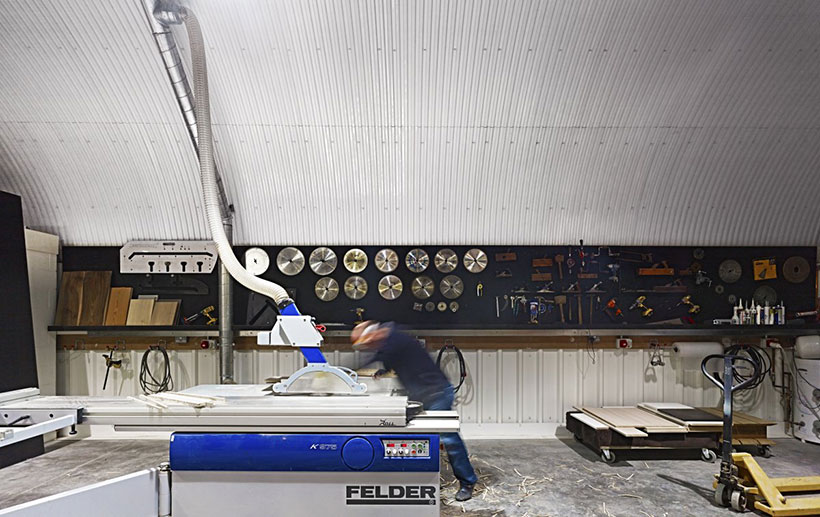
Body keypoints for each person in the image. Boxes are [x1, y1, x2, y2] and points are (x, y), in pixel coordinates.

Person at [352, 321, 478, 501]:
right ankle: (423, 478)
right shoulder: (389, 341)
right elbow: (391, 358)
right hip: (420, 395)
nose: (369, 347)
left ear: (374, 335)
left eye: (369, 343)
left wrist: (349, 370)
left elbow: (380, 355)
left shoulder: (395, 339)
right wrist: (383, 370)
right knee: (418, 439)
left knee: (449, 439)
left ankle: (468, 481)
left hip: (437, 394)